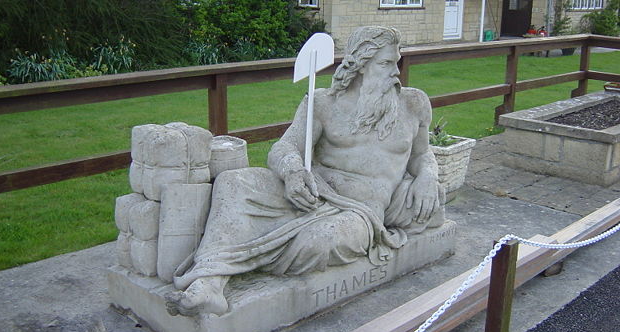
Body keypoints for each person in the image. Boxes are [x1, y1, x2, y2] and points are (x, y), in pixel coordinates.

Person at [165, 26, 444, 317]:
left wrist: (428, 175)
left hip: (361, 210)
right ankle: (209, 284)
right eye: (386, 64)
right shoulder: (323, 103)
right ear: (361, 65)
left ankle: (243, 255)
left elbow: (422, 155)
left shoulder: (413, 104)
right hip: (313, 190)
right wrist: (294, 172)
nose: (396, 72)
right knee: (233, 181)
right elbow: (284, 148)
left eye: (396, 62)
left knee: (319, 242)